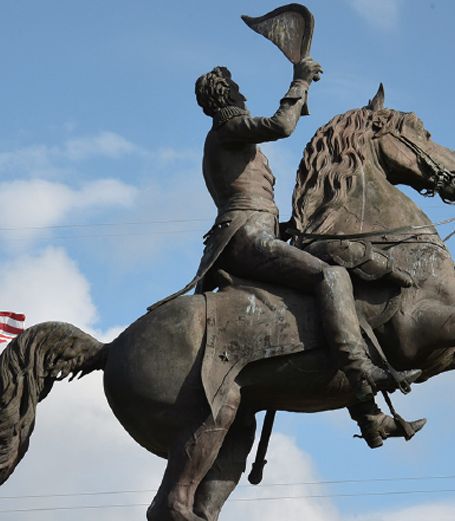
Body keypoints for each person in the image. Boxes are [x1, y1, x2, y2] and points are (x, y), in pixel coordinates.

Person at [156, 58, 423, 447]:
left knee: (327, 283)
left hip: (263, 232)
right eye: (237, 90)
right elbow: (282, 126)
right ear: (226, 96)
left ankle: (369, 416)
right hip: (244, 237)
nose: (243, 95)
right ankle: (360, 370)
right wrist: (299, 83)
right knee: (330, 276)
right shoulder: (228, 129)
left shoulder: (230, 138)